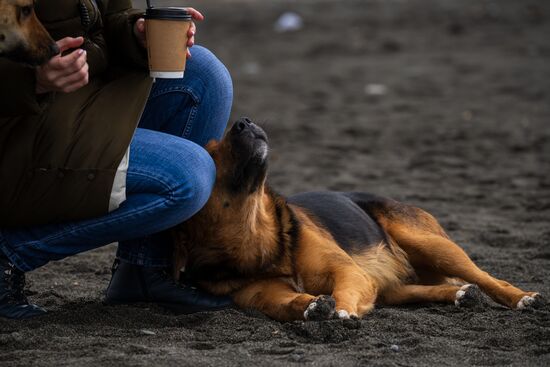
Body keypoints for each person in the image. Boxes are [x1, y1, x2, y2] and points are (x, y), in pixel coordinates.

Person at [0, 0, 233, 319]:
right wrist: (29, 79)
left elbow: (105, 20)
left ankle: (143, 268)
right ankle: (10, 251)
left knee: (203, 75)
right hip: (18, 133)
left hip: (72, 106)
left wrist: (135, 33)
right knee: (187, 178)